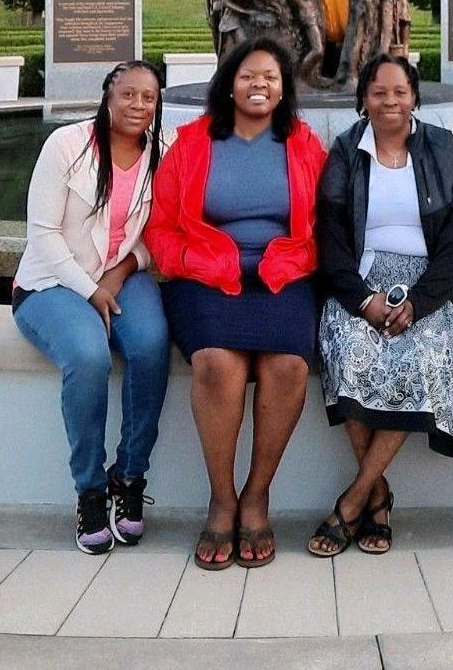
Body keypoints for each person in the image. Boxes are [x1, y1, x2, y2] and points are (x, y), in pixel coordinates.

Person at [145, 36, 328, 571]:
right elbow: (161, 231)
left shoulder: (303, 145)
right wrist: (209, 265)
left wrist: (286, 263)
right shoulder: (192, 144)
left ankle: (257, 495)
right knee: (216, 365)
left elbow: (324, 226)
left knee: (289, 366)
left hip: (282, 275)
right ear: (228, 84)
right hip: (205, 276)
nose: (259, 86)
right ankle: (222, 499)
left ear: (283, 89)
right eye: (249, 76)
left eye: (271, 78)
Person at [309, 54, 453, 558]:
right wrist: (363, 300)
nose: (390, 102)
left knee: (423, 357)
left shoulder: (440, 146)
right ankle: (378, 498)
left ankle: (352, 501)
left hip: (427, 285)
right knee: (345, 347)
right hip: (361, 284)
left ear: (414, 98)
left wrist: (423, 303)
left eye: (400, 92)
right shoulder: (346, 150)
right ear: (363, 99)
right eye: (379, 92)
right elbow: (333, 237)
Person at [13, 61, 171, 554]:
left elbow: (157, 236)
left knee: (150, 346)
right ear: (107, 96)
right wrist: (90, 289)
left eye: (148, 97)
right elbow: (42, 235)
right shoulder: (66, 145)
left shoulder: (160, 154)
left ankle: (129, 478)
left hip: (121, 276)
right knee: (88, 356)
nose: (138, 106)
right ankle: (90, 490)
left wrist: (120, 274)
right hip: (52, 282)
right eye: (128, 95)